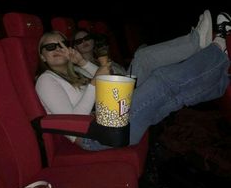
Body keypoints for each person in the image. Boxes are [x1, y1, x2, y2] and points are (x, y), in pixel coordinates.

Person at [35, 10, 231, 150]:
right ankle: (219, 48)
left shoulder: (73, 72)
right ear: (42, 57)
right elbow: (74, 123)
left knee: (149, 65)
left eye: (62, 44)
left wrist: (82, 63)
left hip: (108, 116)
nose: (58, 49)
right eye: (50, 47)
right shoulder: (45, 81)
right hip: (96, 136)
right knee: (159, 81)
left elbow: (109, 79)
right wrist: (95, 83)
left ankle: (211, 67)